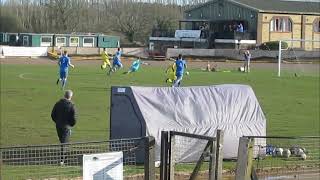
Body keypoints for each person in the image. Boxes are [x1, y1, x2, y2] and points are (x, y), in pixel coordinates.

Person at [51, 90, 77, 164]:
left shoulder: (58, 103)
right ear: (70, 97)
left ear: (64, 95)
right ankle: (62, 160)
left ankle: (64, 158)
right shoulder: (71, 105)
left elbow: (53, 114)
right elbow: (74, 117)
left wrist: (57, 121)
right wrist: (71, 124)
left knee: (63, 141)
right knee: (64, 143)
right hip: (66, 126)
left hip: (58, 125)